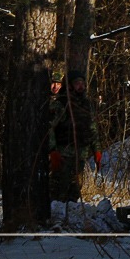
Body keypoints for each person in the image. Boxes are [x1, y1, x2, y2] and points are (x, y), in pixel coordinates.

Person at [47, 70, 97, 205]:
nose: (80, 86)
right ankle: (55, 219)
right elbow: (49, 128)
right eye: (77, 83)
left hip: (81, 154)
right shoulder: (61, 104)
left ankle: (69, 219)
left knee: (75, 190)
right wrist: (53, 151)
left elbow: (92, 128)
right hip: (63, 153)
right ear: (70, 86)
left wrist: (97, 149)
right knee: (58, 190)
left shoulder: (87, 104)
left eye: (82, 83)